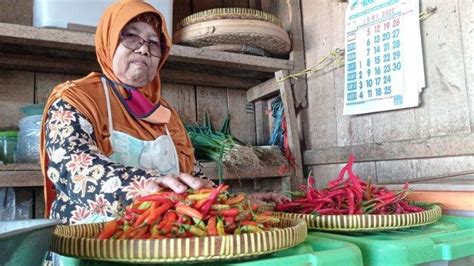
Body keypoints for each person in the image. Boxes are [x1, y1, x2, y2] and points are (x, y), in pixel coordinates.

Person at [40, 0, 287, 226]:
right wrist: (142, 186)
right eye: (131, 36)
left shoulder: (165, 115)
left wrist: (236, 203)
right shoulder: (76, 98)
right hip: (91, 242)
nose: (144, 49)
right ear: (109, 40)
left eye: (154, 43)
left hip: (160, 246)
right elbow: (72, 168)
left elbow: (193, 180)